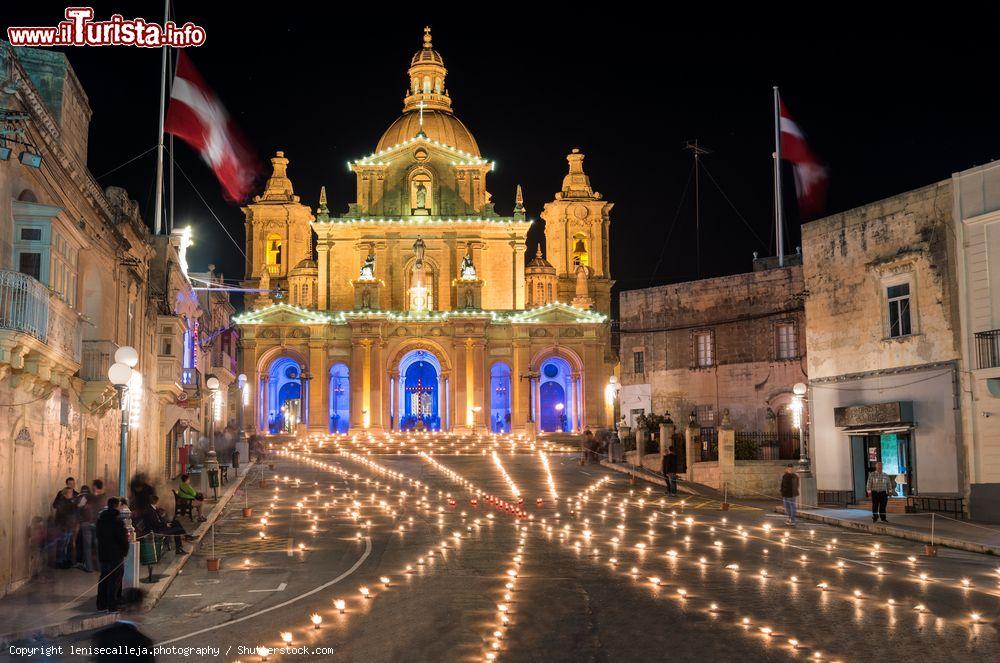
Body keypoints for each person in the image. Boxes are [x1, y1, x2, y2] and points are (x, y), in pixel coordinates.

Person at [96, 497, 129, 612]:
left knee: (103, 579)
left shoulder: (100, 519)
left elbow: (98, 535)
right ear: (116, 506)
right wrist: (125, 551)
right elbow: (122, 539)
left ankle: (101, 604)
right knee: (114, 580)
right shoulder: (117, 521)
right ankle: (112, 605)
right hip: (116, 554)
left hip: (103, 553)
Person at [51, 479, 80, 568]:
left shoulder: (76, 495)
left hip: (69, 524)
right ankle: (61, 562)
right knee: (62, 544)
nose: (72, 485)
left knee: (68, 543)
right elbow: (55, 506)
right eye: (70, 483)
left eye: (73, 483)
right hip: (63, 524)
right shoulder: (62, 497)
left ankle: (67, 561)